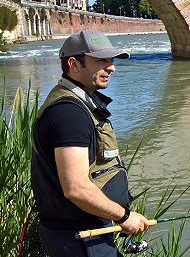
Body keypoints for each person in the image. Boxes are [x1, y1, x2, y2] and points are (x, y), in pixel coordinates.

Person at [31, 30, 151, 256]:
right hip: (79, 237)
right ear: (74, 64)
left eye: (111, 60)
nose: (111, 67)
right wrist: (124, 217)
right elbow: (76, 188)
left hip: (84, 233)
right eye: (101, 60)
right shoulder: (69, 114)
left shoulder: (75, 102)